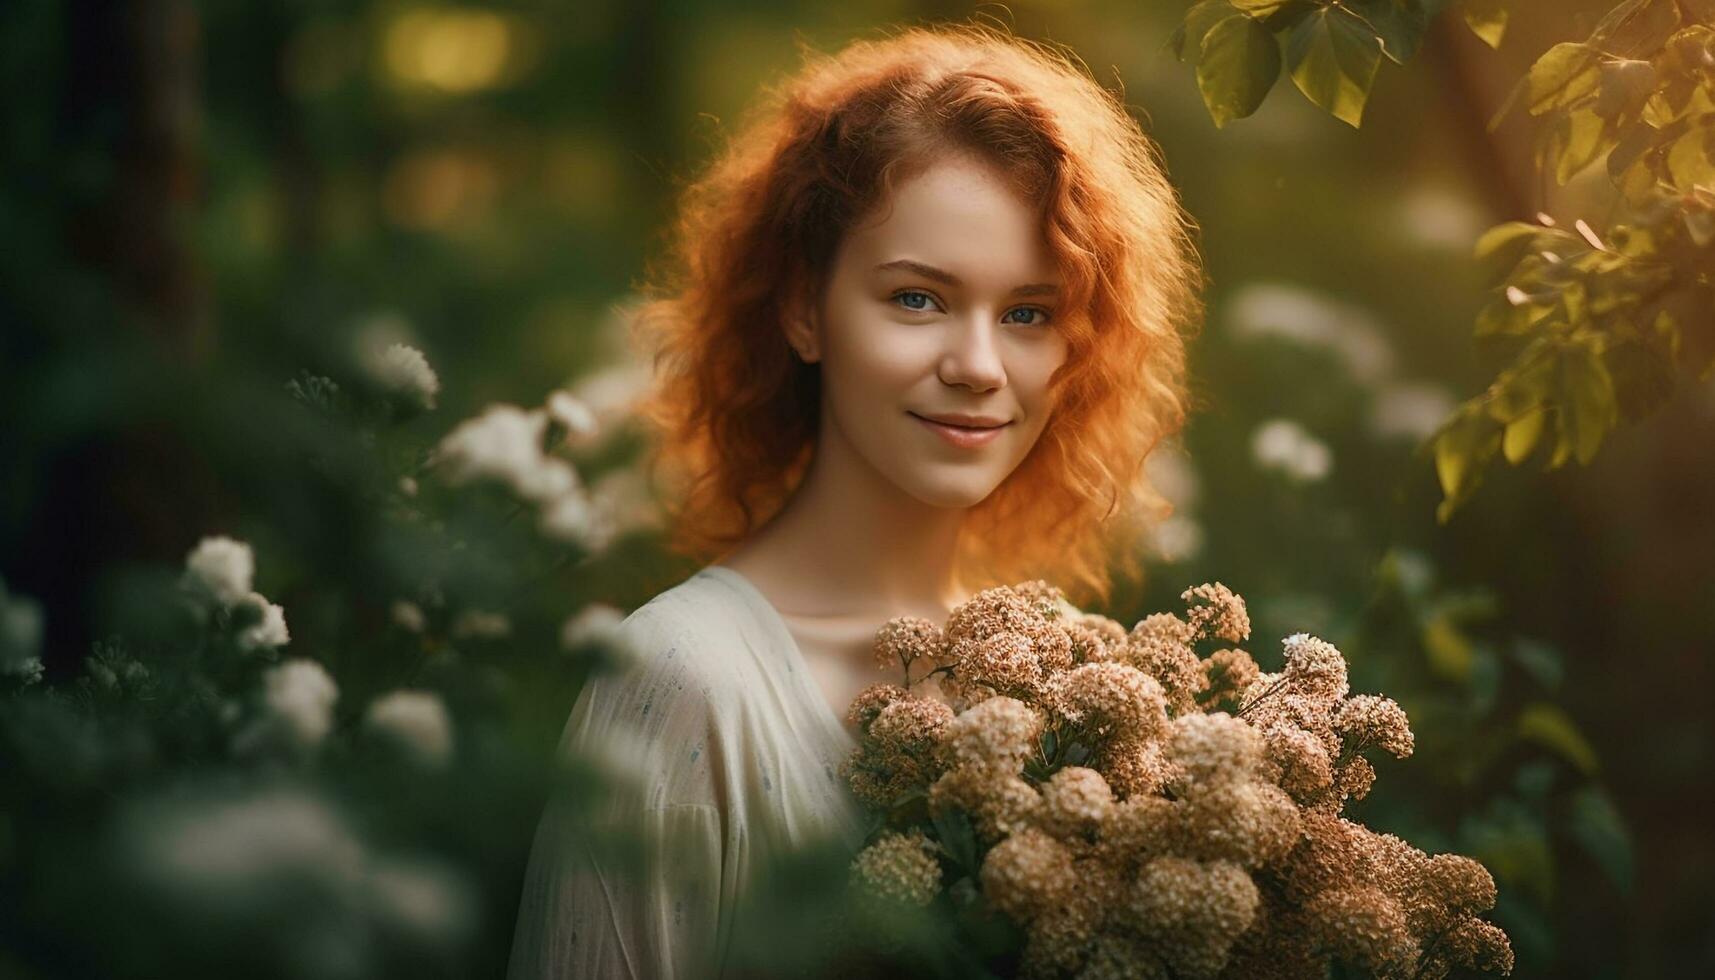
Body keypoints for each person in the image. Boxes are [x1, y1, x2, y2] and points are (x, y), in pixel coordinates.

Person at [506, 21, 1203, 980]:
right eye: (917, 299)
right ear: (801, 309)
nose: (976, 366)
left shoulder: (1063, 689)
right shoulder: (680, 681)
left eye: (1027, 314)